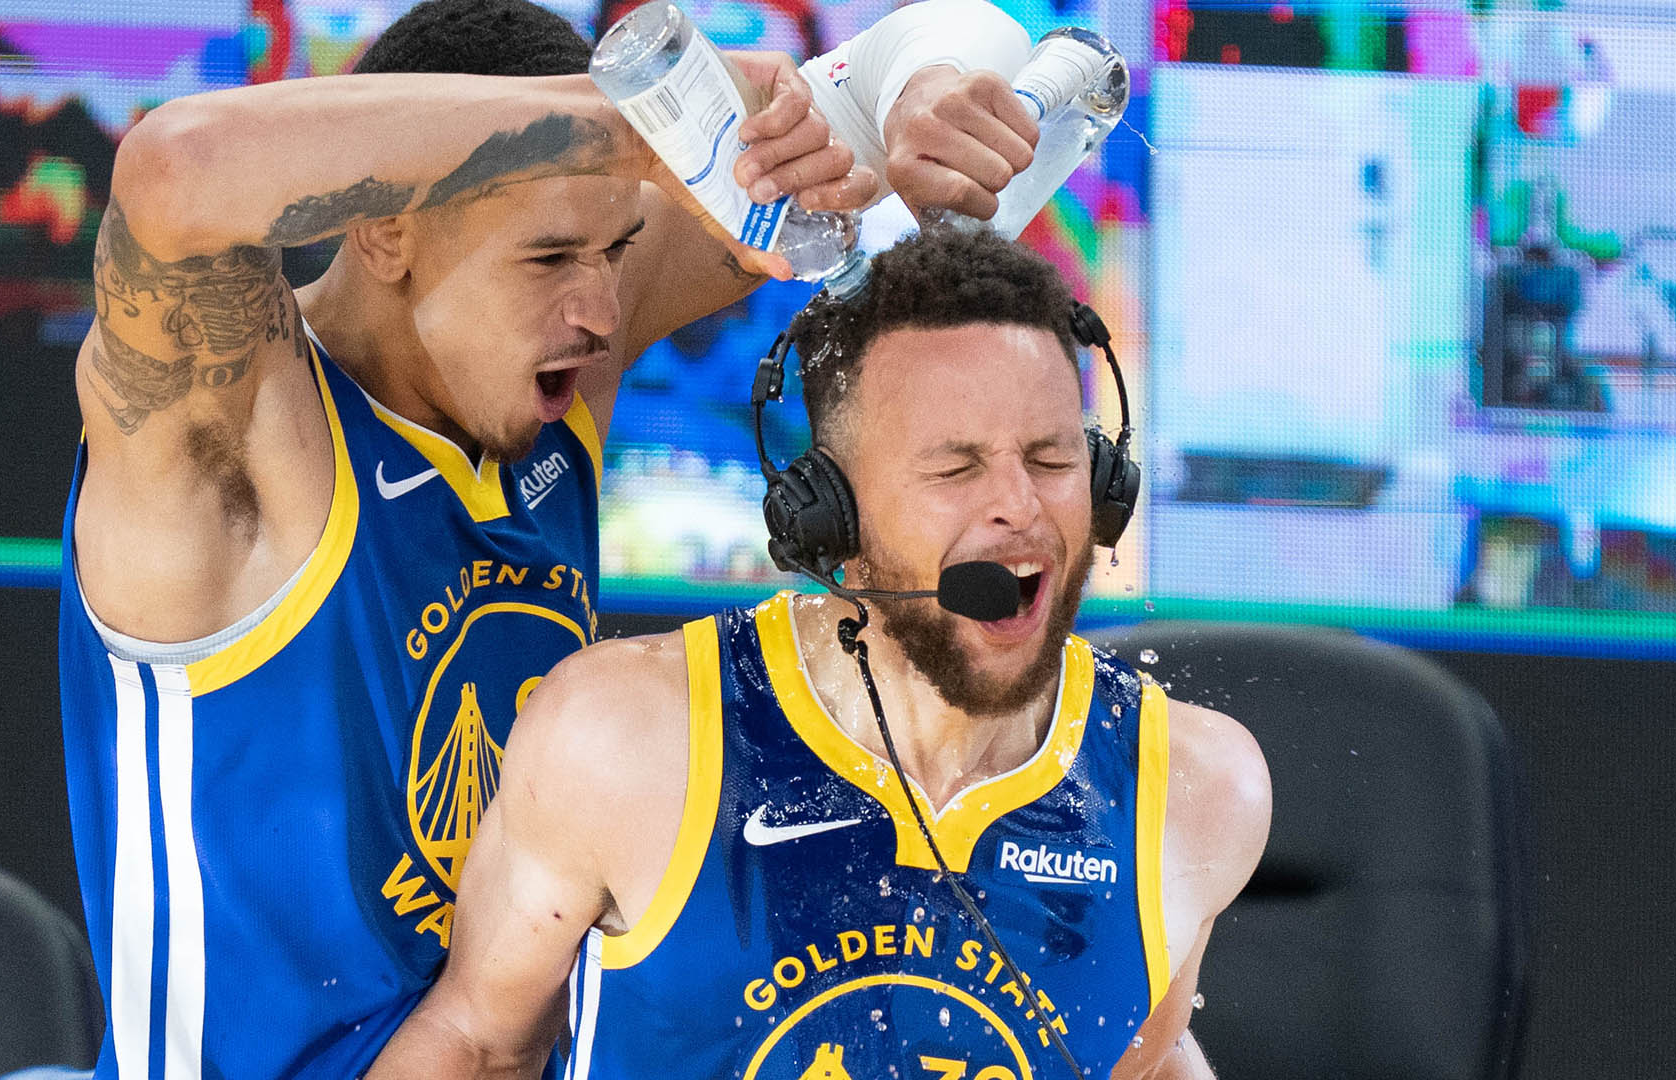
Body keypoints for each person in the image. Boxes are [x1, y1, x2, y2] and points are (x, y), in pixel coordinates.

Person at [56, 0, 1043, 1075]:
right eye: (550, 256)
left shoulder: (555, 359)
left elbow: (922, 39)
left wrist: (921, 99)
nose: (604, 312)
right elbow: (175, 169)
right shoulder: (239, 433)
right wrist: (631, 119)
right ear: (385, 227)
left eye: (616, 248)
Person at [366, 227, 1272, 1078]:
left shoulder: (1195, 791)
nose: (1020, 509)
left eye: (1051, 457)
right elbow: (477, 1045)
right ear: (831, 519)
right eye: (954, 470)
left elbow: (1144, 1059)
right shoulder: (626, 737)